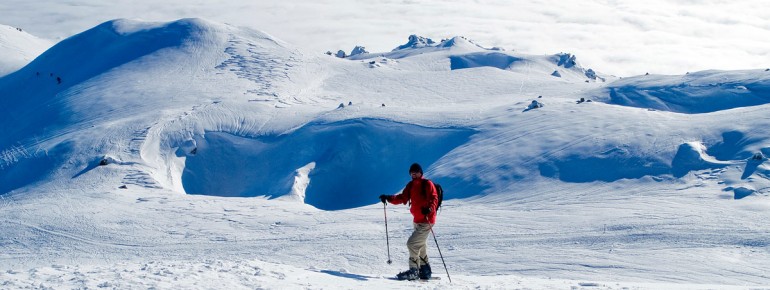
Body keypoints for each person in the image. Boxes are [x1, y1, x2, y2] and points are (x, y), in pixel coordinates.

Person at [379, 163, 438, 280]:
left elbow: (434, 198)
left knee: (412, 243)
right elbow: (402, 198)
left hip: (427, 220)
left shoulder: (427, 184)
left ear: (421, 172)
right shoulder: (411, 185)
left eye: (415, 171)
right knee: (420, 245)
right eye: (411, 172)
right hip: (417, 220)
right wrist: (389, 198)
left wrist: (430, 208)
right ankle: (425, 271)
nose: (413, 174)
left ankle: (414, 271)